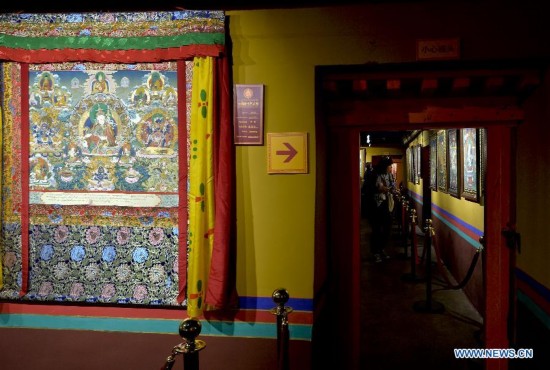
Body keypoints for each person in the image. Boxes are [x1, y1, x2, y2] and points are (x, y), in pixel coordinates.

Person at [370, 156, 396, 263]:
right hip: (377, 205)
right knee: (377, 229)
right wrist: (385, 189)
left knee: (387, 228)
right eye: (389, 166)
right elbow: (377, 188)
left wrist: (392, 189)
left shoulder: (389, 175)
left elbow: (391, 186)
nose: (390, 168)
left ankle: (381, 249)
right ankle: (376, 252)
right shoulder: (376, 174)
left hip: (386, 204)